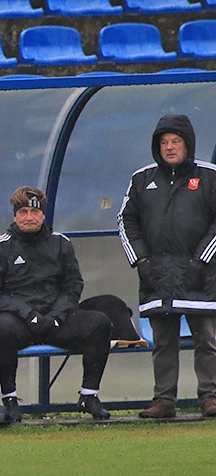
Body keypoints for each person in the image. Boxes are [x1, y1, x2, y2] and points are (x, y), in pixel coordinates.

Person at [0, 186, 112, 423]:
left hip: (55, 321)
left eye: (35, 213)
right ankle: (9, 400)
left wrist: (58, 315)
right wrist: (27, 314)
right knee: (1, 326)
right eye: (24, 212)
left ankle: (89, 396)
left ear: (44, 215)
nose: (30, 217)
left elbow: (73, 286)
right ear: (15, 215)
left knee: (100, 322)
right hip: (21, 322)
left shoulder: (61, 244)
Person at [118, 114, 216, 419]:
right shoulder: (141, 179)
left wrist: (202, 259)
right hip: (156, 276)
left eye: (175, 141)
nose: (169, 147)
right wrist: (141, 260)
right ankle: (163, 400)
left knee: (208, 341)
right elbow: (125, 220)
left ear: (188, 144)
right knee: (163, 342)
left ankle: (211, 397)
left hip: (201, 276)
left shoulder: (210, 176)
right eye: (164, 142)